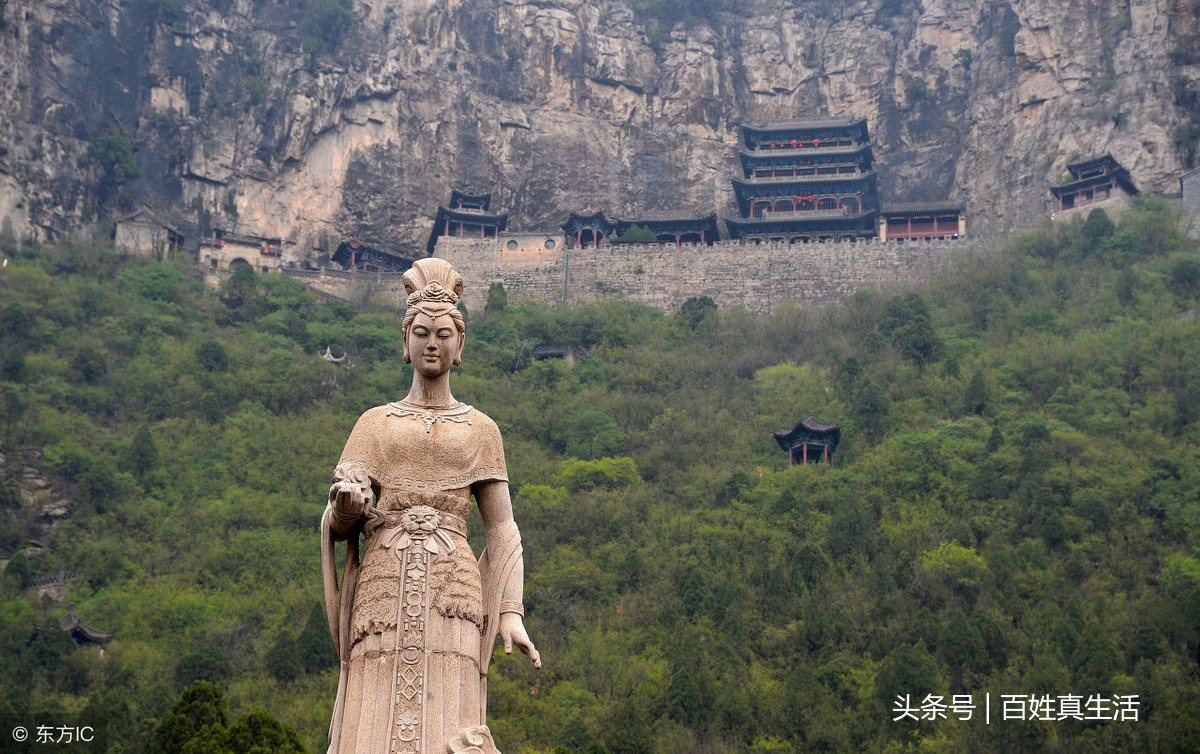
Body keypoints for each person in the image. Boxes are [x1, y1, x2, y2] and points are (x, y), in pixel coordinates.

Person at [321, 258, 539, 754]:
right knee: (371, 711)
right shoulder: (374, 423)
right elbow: (337, 521)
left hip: (453, 589)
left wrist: (509, 611)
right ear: (405, 341)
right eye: (421, 332)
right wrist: (347, 509)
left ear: (460, 344)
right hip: (383, 584)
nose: (432, 343)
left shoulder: (480, 429)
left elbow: (503, 529)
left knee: (451, 712)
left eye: (443, 333)